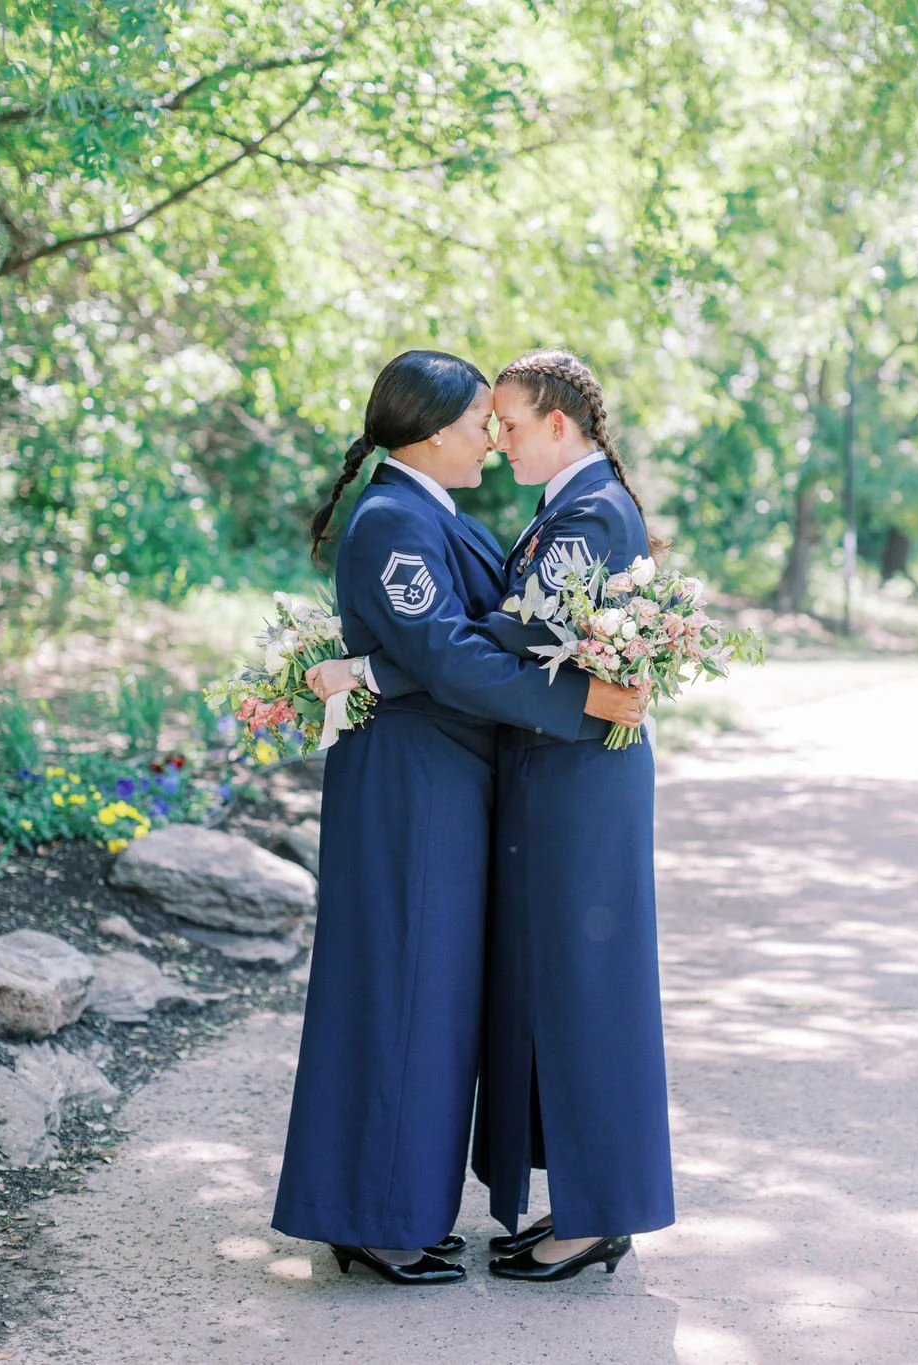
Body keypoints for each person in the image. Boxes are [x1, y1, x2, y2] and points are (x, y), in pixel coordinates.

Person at [271, 350, 643, 1286]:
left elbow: (465, 636)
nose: (493, 437)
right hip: (409, 784)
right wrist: (581, 701)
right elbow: (451, 653)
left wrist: (372, 668)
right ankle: (370, 1216)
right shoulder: (394, 519)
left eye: (503, 421)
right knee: (397, 991)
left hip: (450, 780)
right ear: (436, 432)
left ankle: (396, 1206)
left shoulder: (441, 514)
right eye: (484, 420)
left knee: (429, 996)